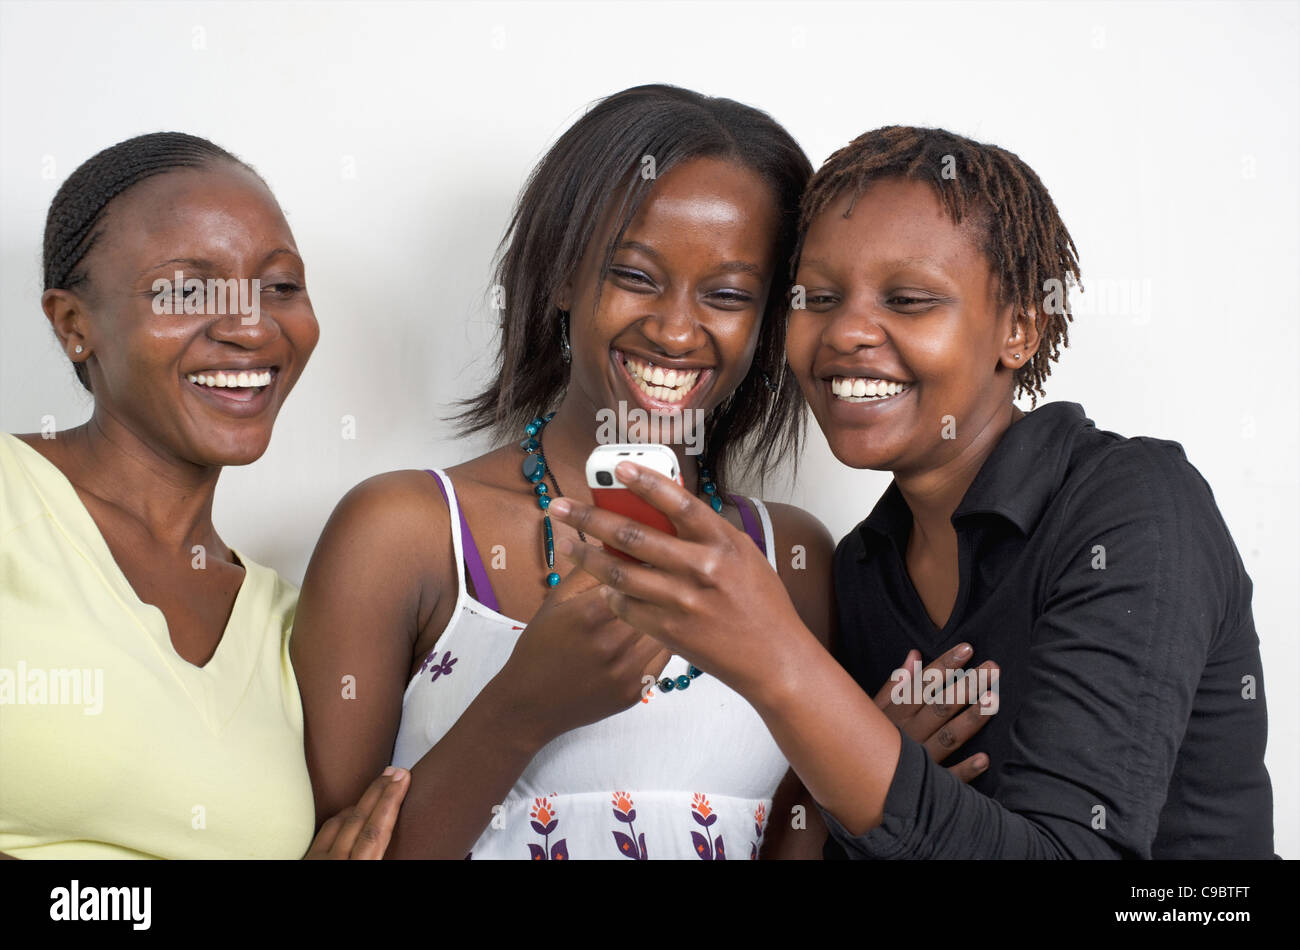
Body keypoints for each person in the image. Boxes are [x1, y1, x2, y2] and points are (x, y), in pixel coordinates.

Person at [293, 86, 992, 861]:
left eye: (728, 295)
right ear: (562, 277)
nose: (674, 328)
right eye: (634, 276)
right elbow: (336, 852)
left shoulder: (792, 560)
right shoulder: (404, 531)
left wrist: (860, 779)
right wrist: (524, 706)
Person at [549, 125, 1275, 859]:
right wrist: (862, 748)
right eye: (820, 297)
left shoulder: (1133, 507)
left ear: (1019, 328)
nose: (847, 333)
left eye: (909, 299)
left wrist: (778, 661)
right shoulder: (867, 565)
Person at [0, 132, 407, 859]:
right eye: (188, 289)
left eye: (279, 286)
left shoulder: (291, 629)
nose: (252, 326)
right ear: (73, 326)